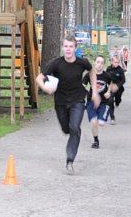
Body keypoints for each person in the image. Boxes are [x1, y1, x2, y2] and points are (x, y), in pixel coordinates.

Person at [36, 35, 100, 174]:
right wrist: (46, 88)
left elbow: (92, 70)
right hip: (60, 102)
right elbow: (39, 78)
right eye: (66, 46)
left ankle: (70, 160)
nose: (68, 49)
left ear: (75, 48)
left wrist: (94, 91)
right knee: (67, 129)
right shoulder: (56, 63)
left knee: (75, 127)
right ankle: (71, 133)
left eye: (71, 46)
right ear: (63, 48)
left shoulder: (82, 62)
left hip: (77, 99)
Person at [83, 55, 116, 149]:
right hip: (91, 102)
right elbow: (83, 85)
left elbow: (112, 83)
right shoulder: (89, 74)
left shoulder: (107, 75)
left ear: (104, 65)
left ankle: (105, 114)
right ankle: (96, 141)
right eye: (98, 62)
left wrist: (109, 92)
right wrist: (87, 93)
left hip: (104, 103)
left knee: (101, 123)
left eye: (102, 63)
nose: (99, 64)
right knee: (93, 122)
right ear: (94, 63)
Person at [105, 55, 126, 124]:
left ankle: (118, 101)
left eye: (118, 62)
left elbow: (123, 80)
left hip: (119, 88)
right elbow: (106, 78)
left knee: (117, 100)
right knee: (110, 101)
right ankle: (112, 117)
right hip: (111, 87)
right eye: (115, 62)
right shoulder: (108, 69)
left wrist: (117, 86)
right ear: (111, 62)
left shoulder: (120, 70)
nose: (116, 64)